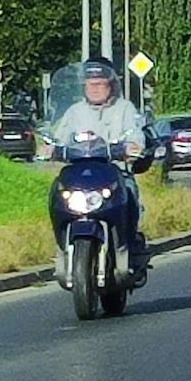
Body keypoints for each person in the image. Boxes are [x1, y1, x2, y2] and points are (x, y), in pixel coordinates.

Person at [47, 57, 147, 260]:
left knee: (129, 191)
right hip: (79, 171)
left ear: (110, 84)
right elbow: (59, 137)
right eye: (91, 84)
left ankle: (129, 244)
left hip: (113, 170)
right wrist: (49, 147)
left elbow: (135, 132)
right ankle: (61, 244)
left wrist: (134, 146)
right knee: (57, 193)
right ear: (84, 85)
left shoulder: (124, 108)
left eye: (100, 84)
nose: (95, 88)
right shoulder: (75, 111)